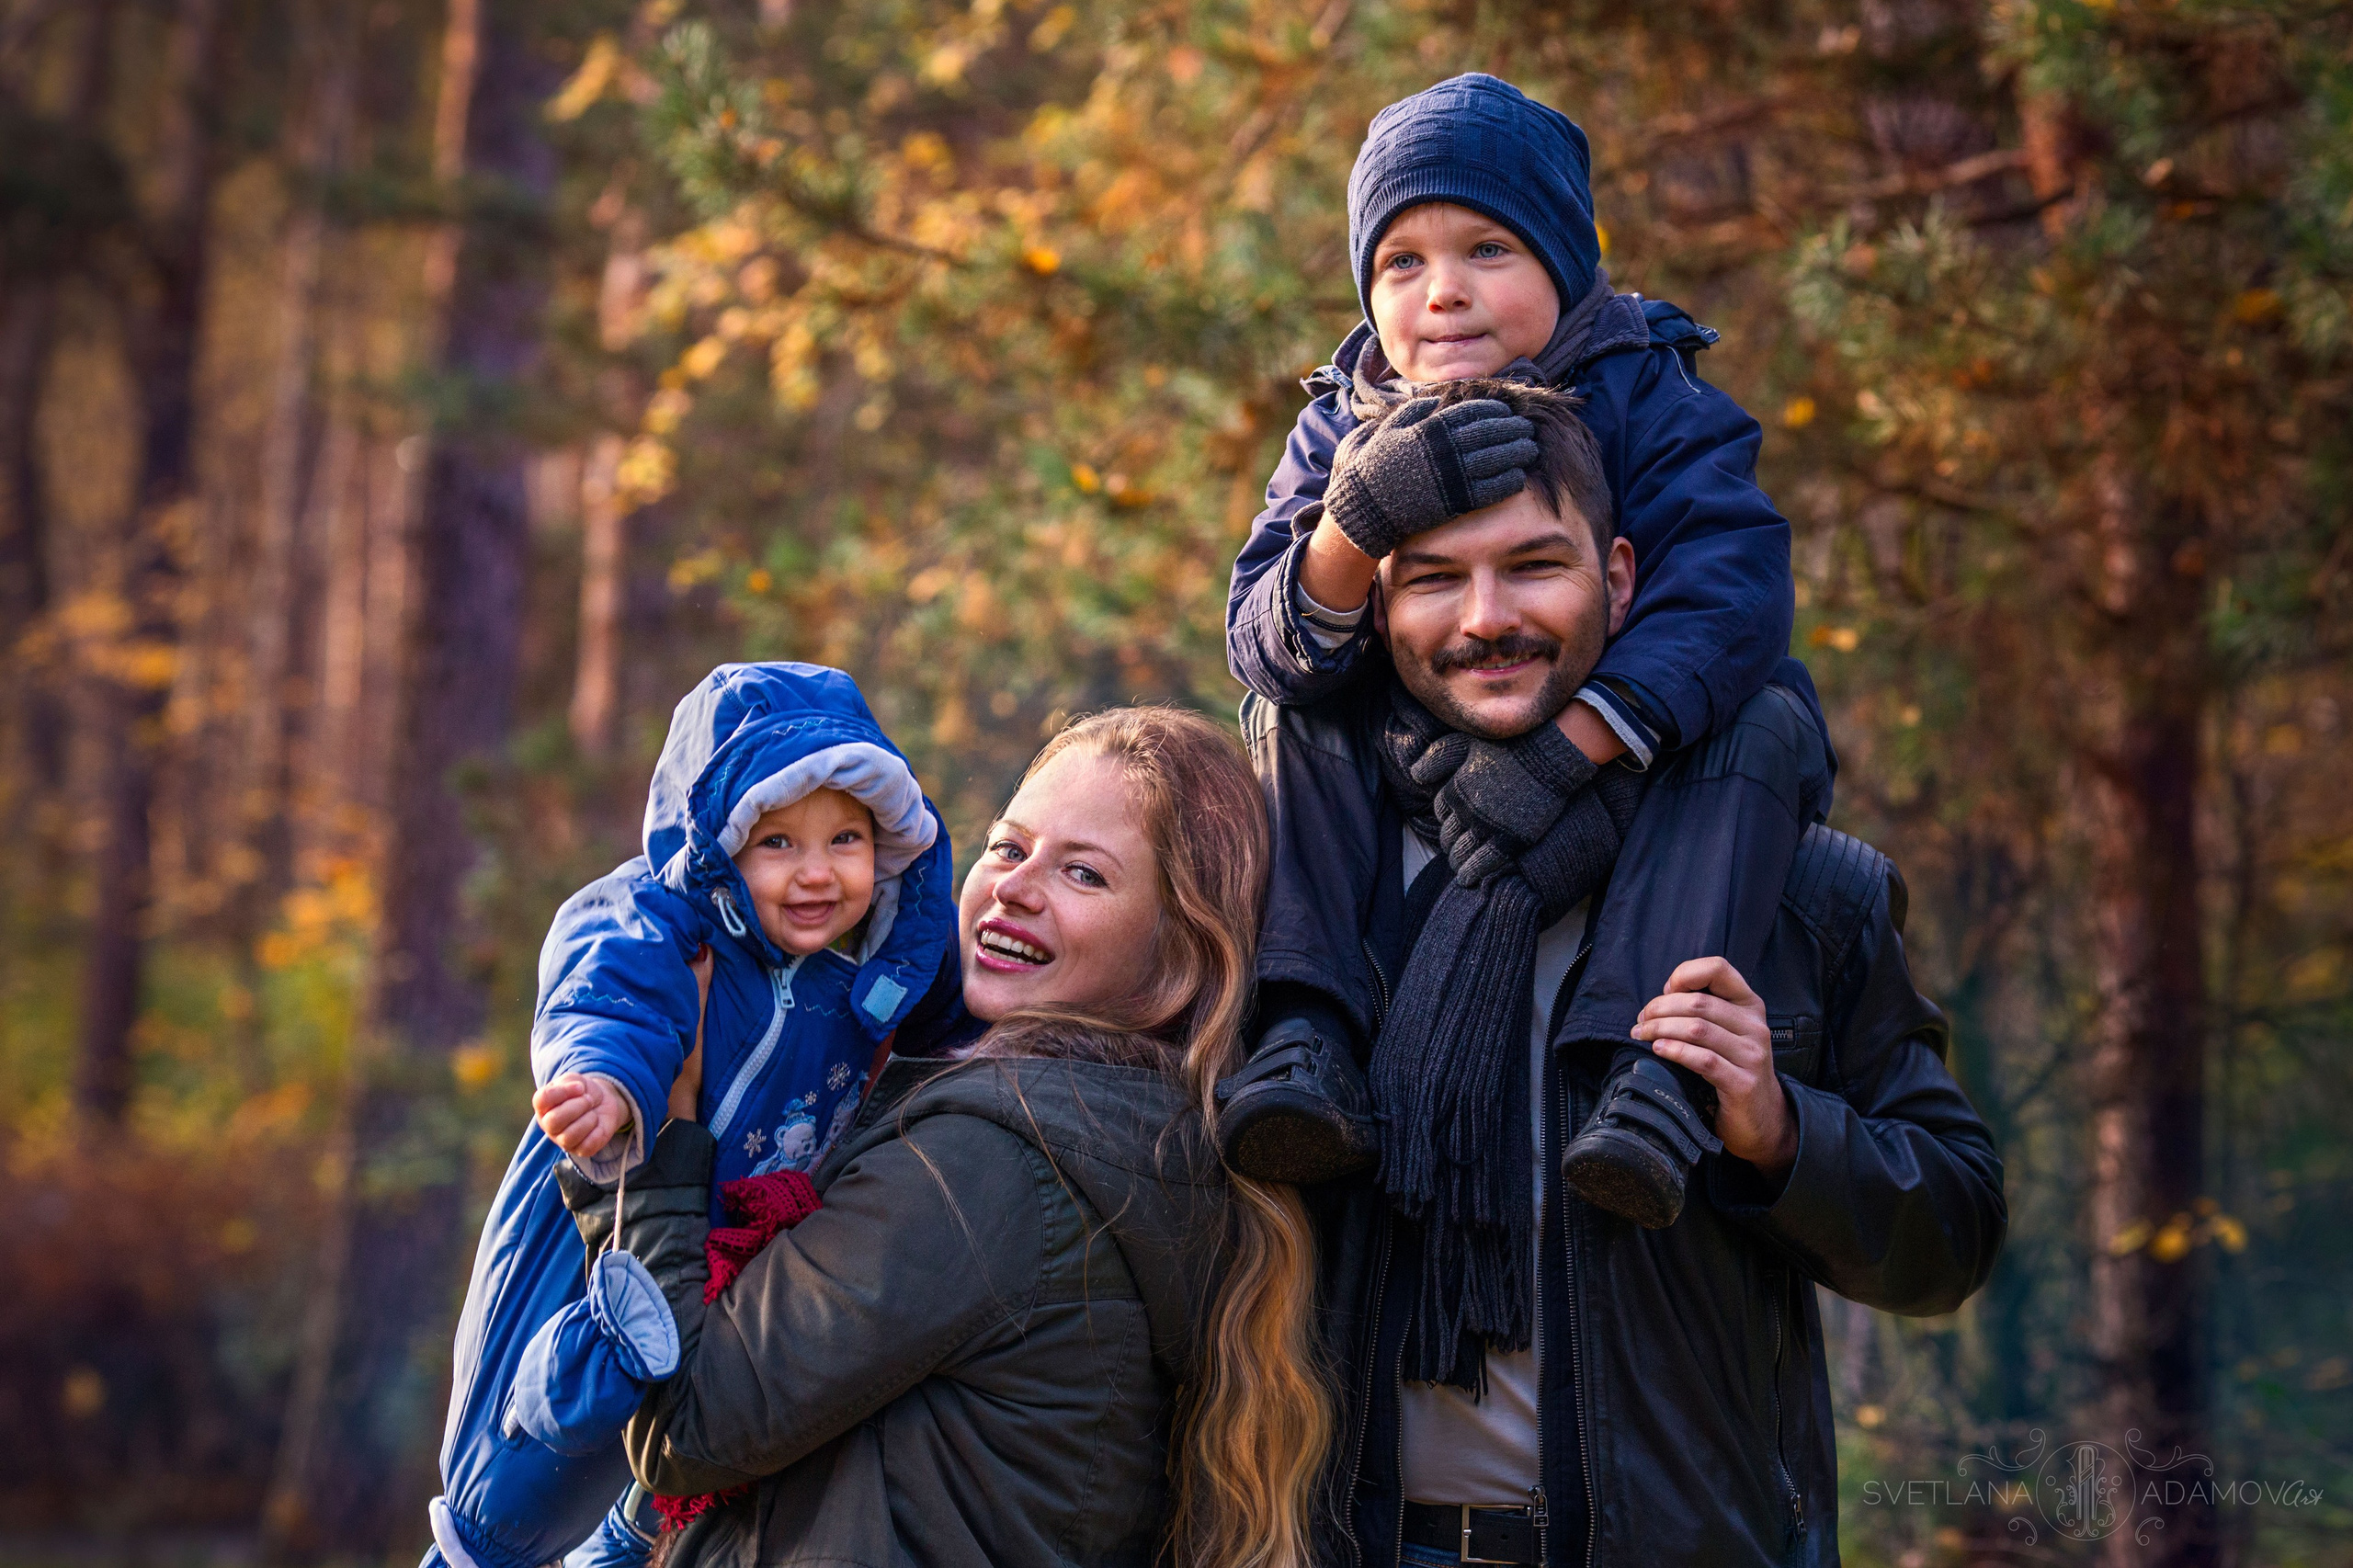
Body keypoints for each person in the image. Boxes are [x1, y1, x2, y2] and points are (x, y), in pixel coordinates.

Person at [1262, 381, 2005, 1566]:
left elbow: (1952, 1234)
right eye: (1435, 577)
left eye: (1531, 566)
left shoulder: (1798, 892)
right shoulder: (1301, 885)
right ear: (1379, 605)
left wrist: (1776, 1131)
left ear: (1617, 575)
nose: (1485, 617)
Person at [1217, 74, 1828, 1232]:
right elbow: (1262, 631)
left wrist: (1575, 744)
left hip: (1631, 746)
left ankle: (1647, 1069)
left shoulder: (1645, 385)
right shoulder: (1341, 415)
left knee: (1764, 715)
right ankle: (1307, 1028)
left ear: (1566, 262)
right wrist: (1353, 522)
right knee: (1290, 714)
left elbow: (1731, 588)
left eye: (1488, 247)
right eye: (1401, 261)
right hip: (1414, 746)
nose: (1442, 291)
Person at [557, 707, 1331, 1568]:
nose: (1016, 887)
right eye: (1008, 848)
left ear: (1180, 953)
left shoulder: (992, 1161)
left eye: (1082, 873)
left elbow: (689, 1422)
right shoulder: (1142, 1138)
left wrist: (651, 1139)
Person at [426, 663, 963, 1568]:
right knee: (534, 1446)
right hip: (611, 1193)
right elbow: (612, 994)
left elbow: (964, 1012)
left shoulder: (874, 966)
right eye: (778, 843)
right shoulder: (668, 921)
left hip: (746, 1244)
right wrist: (603, 1081)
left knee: (672, 1462)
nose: (818, 872)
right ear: (717, 849)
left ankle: (617, 1549)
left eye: (845, 838)